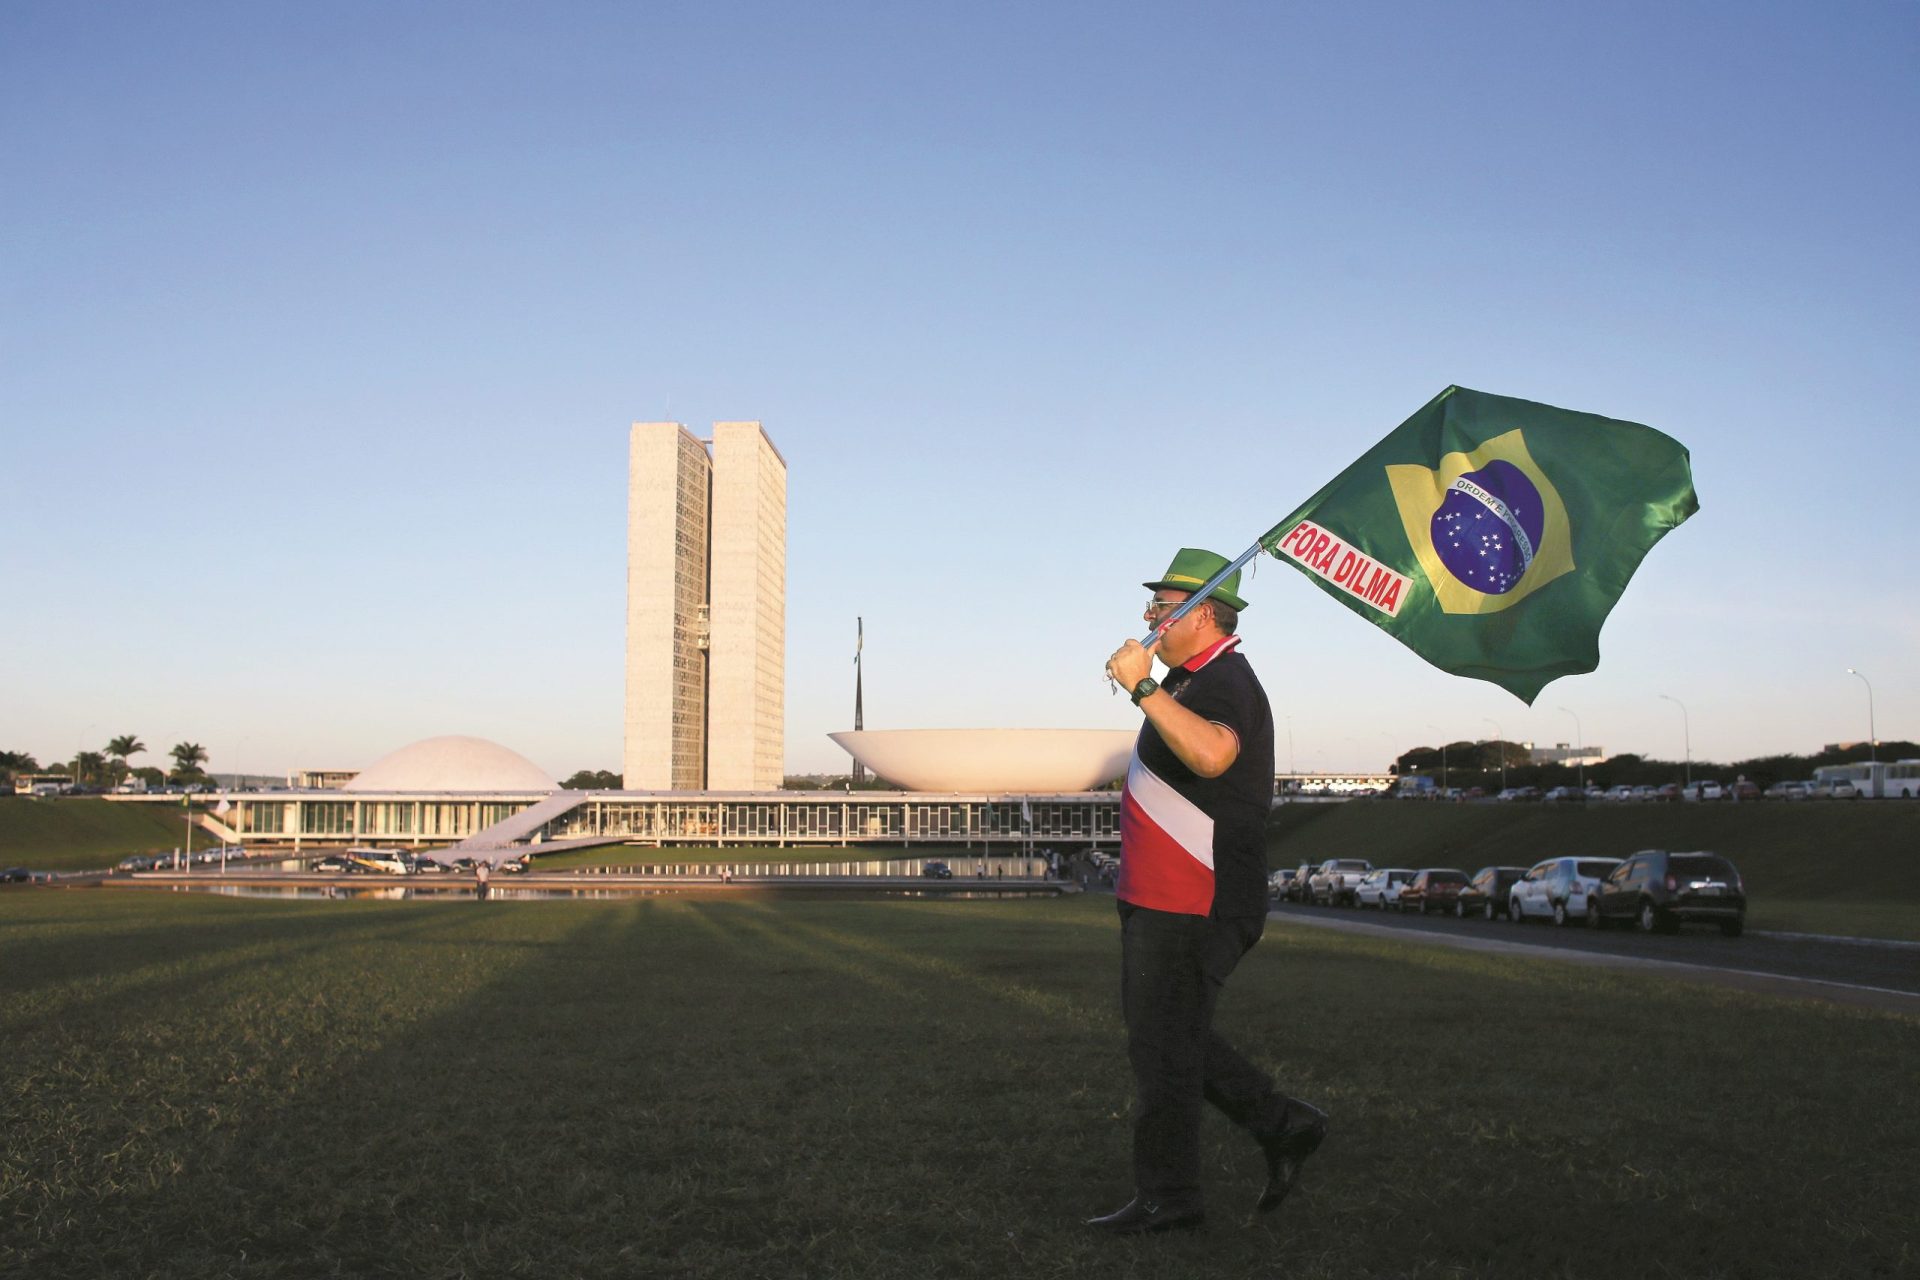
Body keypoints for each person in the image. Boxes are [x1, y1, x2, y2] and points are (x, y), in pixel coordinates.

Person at [1089, 547, 1328, 1236]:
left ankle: (1172, 1197)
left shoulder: (1224, 681)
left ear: (1200, 613)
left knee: (1164, 1050)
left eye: (1160, 607)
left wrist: (1142, 688)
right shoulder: (1192, 681)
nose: (1147, 617)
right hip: (1161, 897)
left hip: (1195, 900)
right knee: (1166, 1041)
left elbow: (1214, 755)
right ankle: (1282, 1125)